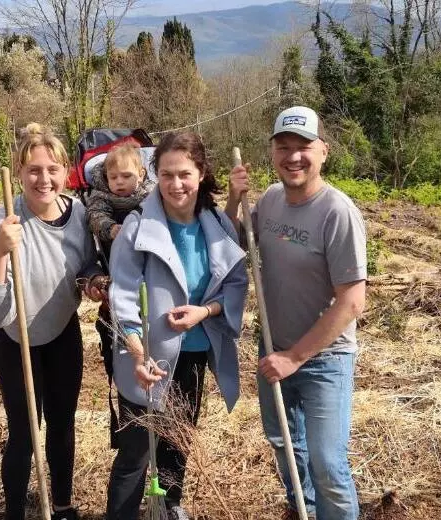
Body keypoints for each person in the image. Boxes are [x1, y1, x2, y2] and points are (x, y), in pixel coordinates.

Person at [226, 106, 367, 520]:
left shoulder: (337, 212)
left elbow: (352, 301)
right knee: (287, 448)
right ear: (272, 153)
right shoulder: (270, 200)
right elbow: (233, 241)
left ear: (323, 151)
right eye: (283, 147)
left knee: (328, 464)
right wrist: (233, 198)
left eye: (303, 147)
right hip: (274, 348)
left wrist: (295, 357)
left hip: (324, 359)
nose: (294, 157)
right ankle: (302, 510)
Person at [106, 131, 249, 520]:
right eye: (166, 174)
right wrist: (137, 354)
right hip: (147, 358)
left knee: (177, 443)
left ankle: (168, 509)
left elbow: (236, 283)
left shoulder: (216, 223)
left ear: (200, 173)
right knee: (136, 452)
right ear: (156, 175)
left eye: (184, 174)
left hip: (195, 353)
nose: (175, 184)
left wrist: (206, 312)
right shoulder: (138, 227)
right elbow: (123, 296)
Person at [0, 123, 105, 520]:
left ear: (65, 171)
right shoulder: (4, 223)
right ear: (19, 172)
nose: (43, 179)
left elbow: (87, 264)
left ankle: (62, 506)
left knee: (62, 424)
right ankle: (15, 512)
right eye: (33, 170)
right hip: (15, 339)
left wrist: (92, 281)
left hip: (62, 332)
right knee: (24, 432)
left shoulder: (78, 213)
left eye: (52, 169)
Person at [85, 142, 156, 448]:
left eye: (126, 176)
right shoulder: (101, 197)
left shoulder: (151, 195)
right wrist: (113, 229)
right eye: (114, 177)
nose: (119, 183)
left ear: (141, 174)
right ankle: (130, 433)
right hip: (115, 271)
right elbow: (96, 218)